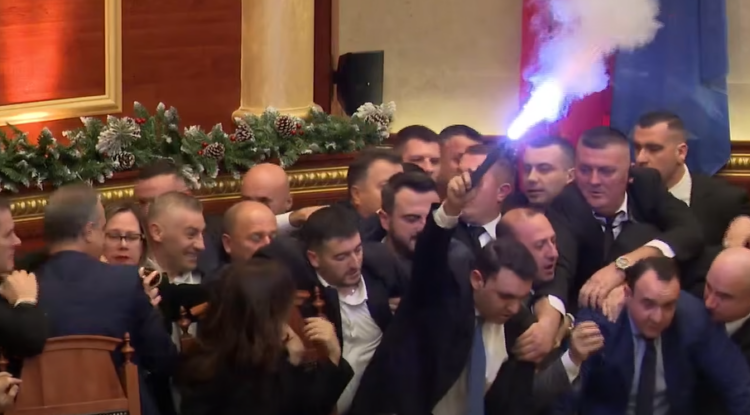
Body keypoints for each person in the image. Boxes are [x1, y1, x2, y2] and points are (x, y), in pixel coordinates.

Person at [351, 172, 541, 415]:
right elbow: (429, 255)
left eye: (519, 298)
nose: (513, 307)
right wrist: (450, 208)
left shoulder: (517, 326)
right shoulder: (438, 299)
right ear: (477, 280)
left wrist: (550, 324)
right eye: (505, 296)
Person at [36, 183, 177, 415]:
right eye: (105, 231)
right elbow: (163, 359)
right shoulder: (126, 282)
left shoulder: (26, 290)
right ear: (89, 231)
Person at [556, 256, 750, 415]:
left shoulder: (693, 318)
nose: (658, 318)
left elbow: (739, 386)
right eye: (648, 304)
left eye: (668, 305)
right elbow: (565, 397)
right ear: (627, 294)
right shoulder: (599, 324)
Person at [548, 126, 703, 310]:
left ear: (629, 174)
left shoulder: (646, 185)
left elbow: (689, 231)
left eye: (606, 171)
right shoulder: (565, 201)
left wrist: (622, 267)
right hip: (585, 306)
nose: (593, 181)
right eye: (585, 170)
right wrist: (552, 317)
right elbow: (561, 269)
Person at [178, 259, 354, 415]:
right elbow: (306, 407)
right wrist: (331, 355)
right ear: (268, 317)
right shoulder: (262, 379)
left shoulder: (203, 357)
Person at [633, 110, 750, 246]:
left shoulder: (725, 199)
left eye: (653, 149)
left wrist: (746, 220)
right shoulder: (625, 193)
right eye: (637, 148)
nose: (640, 158)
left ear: (681, 152)